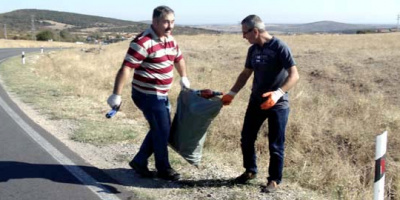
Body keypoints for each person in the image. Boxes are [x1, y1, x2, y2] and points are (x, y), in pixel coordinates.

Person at [107, 5, 190, 181]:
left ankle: (139, 160)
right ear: (155, 21)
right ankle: (163, 168)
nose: (170, 26)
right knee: (163, 130)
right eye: (166, 22)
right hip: (147, 94)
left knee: (160, 128)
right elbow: (126, 68)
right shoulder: (142, 42)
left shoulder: (170, 39)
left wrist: (184, 77)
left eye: (173, 22)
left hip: (162, 93)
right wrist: (116, 94)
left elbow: (178, 58)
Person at [221, 15, 299, 193]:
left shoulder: (280, 47)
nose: (243, 37)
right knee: (246, 137)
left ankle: (274, 180)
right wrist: (231, 94)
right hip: (256, 101)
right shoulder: (253, 50)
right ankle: (250, 171)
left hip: (278, 105)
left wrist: (278, 94)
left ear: (255, 31)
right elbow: (245, 74)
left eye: (245, 33)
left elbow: (294, 75)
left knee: (275, 144)